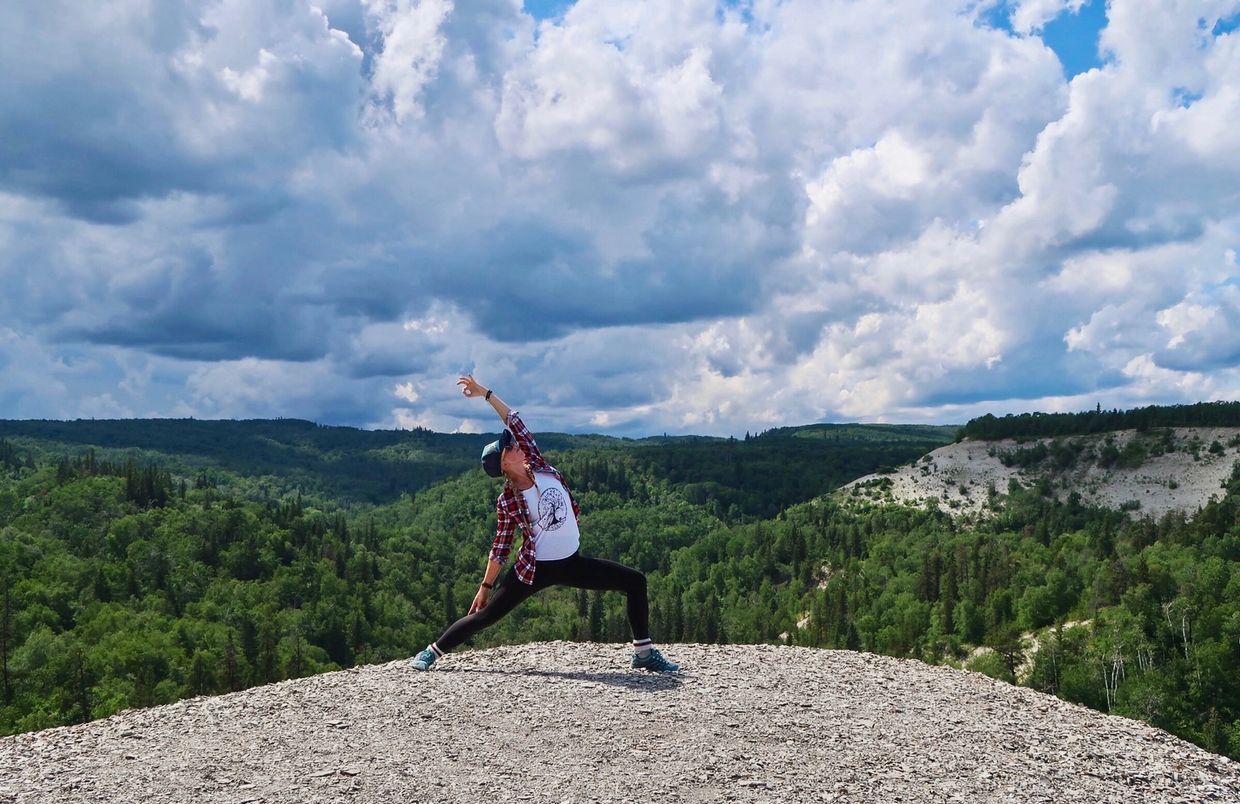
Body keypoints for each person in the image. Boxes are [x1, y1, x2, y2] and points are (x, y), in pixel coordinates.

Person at [410, 375, 680, 673]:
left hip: (571, 562)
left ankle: (643, 653)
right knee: (484, 617)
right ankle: (432, 652)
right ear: (503, 465)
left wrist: (484, 393)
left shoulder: (537, 465)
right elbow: (500, 547)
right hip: (534, 571)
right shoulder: (508, 502)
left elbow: (514, 420)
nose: (515, 445)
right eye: (509, 448)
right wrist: (485, 587)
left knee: (635, 582)